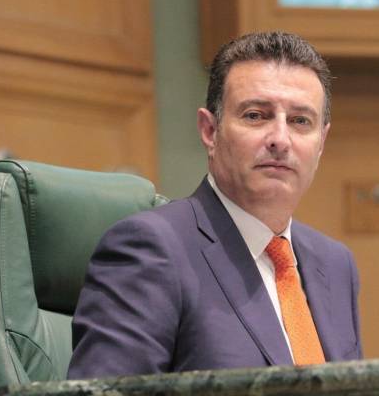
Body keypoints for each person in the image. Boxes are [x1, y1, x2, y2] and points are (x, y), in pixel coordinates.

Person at [68, 31, 362, 379]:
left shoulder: (334, 264)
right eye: (256, 115)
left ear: (321, 142)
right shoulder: (151, 249)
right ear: (210, 131)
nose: (280, 139)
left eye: (300, 121)